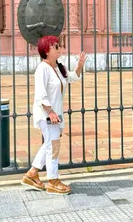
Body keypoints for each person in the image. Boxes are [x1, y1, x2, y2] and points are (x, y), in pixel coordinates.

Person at [21, 36, 86, 195]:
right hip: (46, 114)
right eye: (56, 46)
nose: (59, 48)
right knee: (53, 146)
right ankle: (53, 181)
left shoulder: (58, 67)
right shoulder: (42, 69)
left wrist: (79, 66)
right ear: (46, 50)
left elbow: (71, 78)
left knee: (49, 144)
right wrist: (50, 112)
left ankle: (32, 174)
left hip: (55, 114)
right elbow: (40, 95)